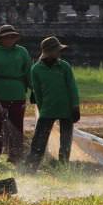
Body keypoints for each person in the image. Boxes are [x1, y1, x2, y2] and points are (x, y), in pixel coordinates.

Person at [0, 23, 32, 163]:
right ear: (0, 39)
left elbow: (28, 72)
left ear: (15, 37)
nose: (9, 39)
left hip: (17, 93)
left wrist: (33, 90)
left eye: (12, 37)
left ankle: (16, 155)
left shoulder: (22, 52)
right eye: (6, 37)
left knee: (17, 125)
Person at [26, 36, 81, 169]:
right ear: (48, 52)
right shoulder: (36, 69)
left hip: (66, 109)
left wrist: (75, 106)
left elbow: (72, 87)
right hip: (47, 110)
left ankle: (63, 166)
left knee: (66, 141)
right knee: (39, 141)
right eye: (57, 50)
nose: (59, 53)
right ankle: (31, 167)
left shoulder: (64, 66)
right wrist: (41, 108)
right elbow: (37, 92)